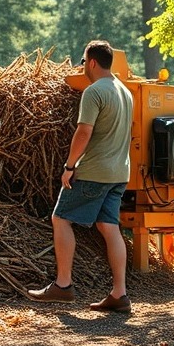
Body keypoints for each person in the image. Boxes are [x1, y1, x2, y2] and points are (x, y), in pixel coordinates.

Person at [28, 40, 134, 313]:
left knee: (60, 218)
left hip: (94, 171)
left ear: (92, 62)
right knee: (110, 228)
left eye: (83, 61)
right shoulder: (125, 91)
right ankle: (119, 294)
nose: (83, 66)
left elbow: (84, 132)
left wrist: (70, 165)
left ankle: (63, 285)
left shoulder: (94, 91)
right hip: (120, 172)